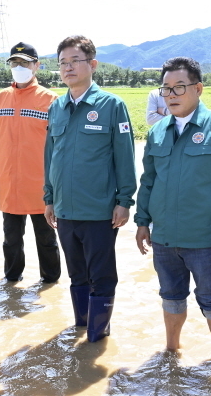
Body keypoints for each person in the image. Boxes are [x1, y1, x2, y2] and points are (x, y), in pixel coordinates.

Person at [135, 57, 211, 358]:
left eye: (179, 88)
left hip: (204, 238)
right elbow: (148, 181)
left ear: (198, 88)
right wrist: (142, 222)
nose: (171, 95)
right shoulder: (157, 132)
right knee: (170, 297)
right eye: (166, 89)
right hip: (164, 237)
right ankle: (172, 351)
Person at [44, 35, 136, 342]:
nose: (68, 68)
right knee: (76, 275)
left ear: (92, 64)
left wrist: (124, 200)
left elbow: (125, 156)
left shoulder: (111, 105)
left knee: (102, 275)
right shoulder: (56, 107)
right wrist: (49, 197)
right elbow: (50, 156)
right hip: (65, 209)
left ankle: (98, 336)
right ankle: (80, 328)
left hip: (99, 210)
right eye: (62, 63)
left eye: (74, 61)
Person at [0, 42, 61, 283]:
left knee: (46, 238)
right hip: (9, 183)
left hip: (41, 185)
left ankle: (50, 283)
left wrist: (57, 185)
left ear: (36, 66)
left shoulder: (50, 100)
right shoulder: (1, 98)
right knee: (11, 239)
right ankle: (11, 282)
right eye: (14, 63)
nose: (19, 67)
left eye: (25, 63)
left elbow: (59, 147)